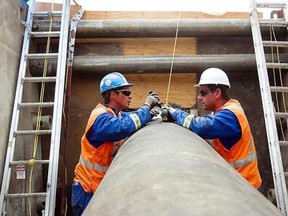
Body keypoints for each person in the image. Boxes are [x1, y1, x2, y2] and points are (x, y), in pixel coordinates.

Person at [71, 72, 160, 215]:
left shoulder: (115, 114)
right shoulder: (100, 118)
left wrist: (152, 114)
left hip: (99, 187)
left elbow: (132, 118)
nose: (130, 96)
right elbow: (123, 126)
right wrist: (146, 106)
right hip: (87, 189)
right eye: (126, 92)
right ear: (113, 94)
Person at [162, 67, 262, 189]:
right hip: (235, 182)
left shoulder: (230, 115)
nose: (199, 97)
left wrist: (175, 112)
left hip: (245, 185)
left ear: (217, 93)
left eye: (203, 92)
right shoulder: (220, 112)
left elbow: (202, 126)